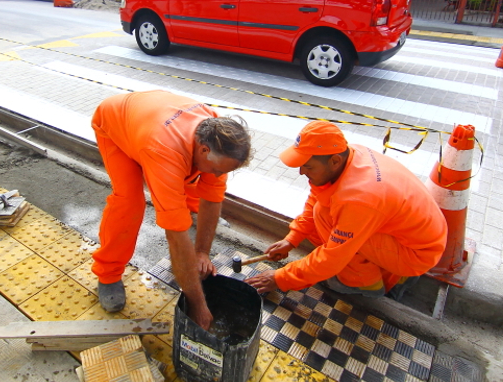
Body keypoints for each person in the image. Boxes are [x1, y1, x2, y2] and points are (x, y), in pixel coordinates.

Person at [91, 90, 252, 330]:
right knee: (129, 202)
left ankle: (178, 204)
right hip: (115, 123)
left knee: (196, 186)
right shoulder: (163, 151)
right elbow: (176, 236)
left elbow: (212, 197)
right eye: (220, 170)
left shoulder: (219, 136)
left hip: (149, 124)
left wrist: (201, 254)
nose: (220, 175)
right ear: (204, 150)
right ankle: (108, 273)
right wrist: (197, 305)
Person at [245, 121, 447, 299]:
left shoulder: (359, 198)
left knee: (325, 218)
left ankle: (364, 283)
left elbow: (333, 256)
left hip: (417, 253)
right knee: (322, 212)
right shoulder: (349, 154)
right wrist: (292, 238)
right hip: (413, 236)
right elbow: (318, 195)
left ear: (334, 161)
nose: (300, 172)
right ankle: (393, 273)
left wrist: (281, 278)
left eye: (308, 166)